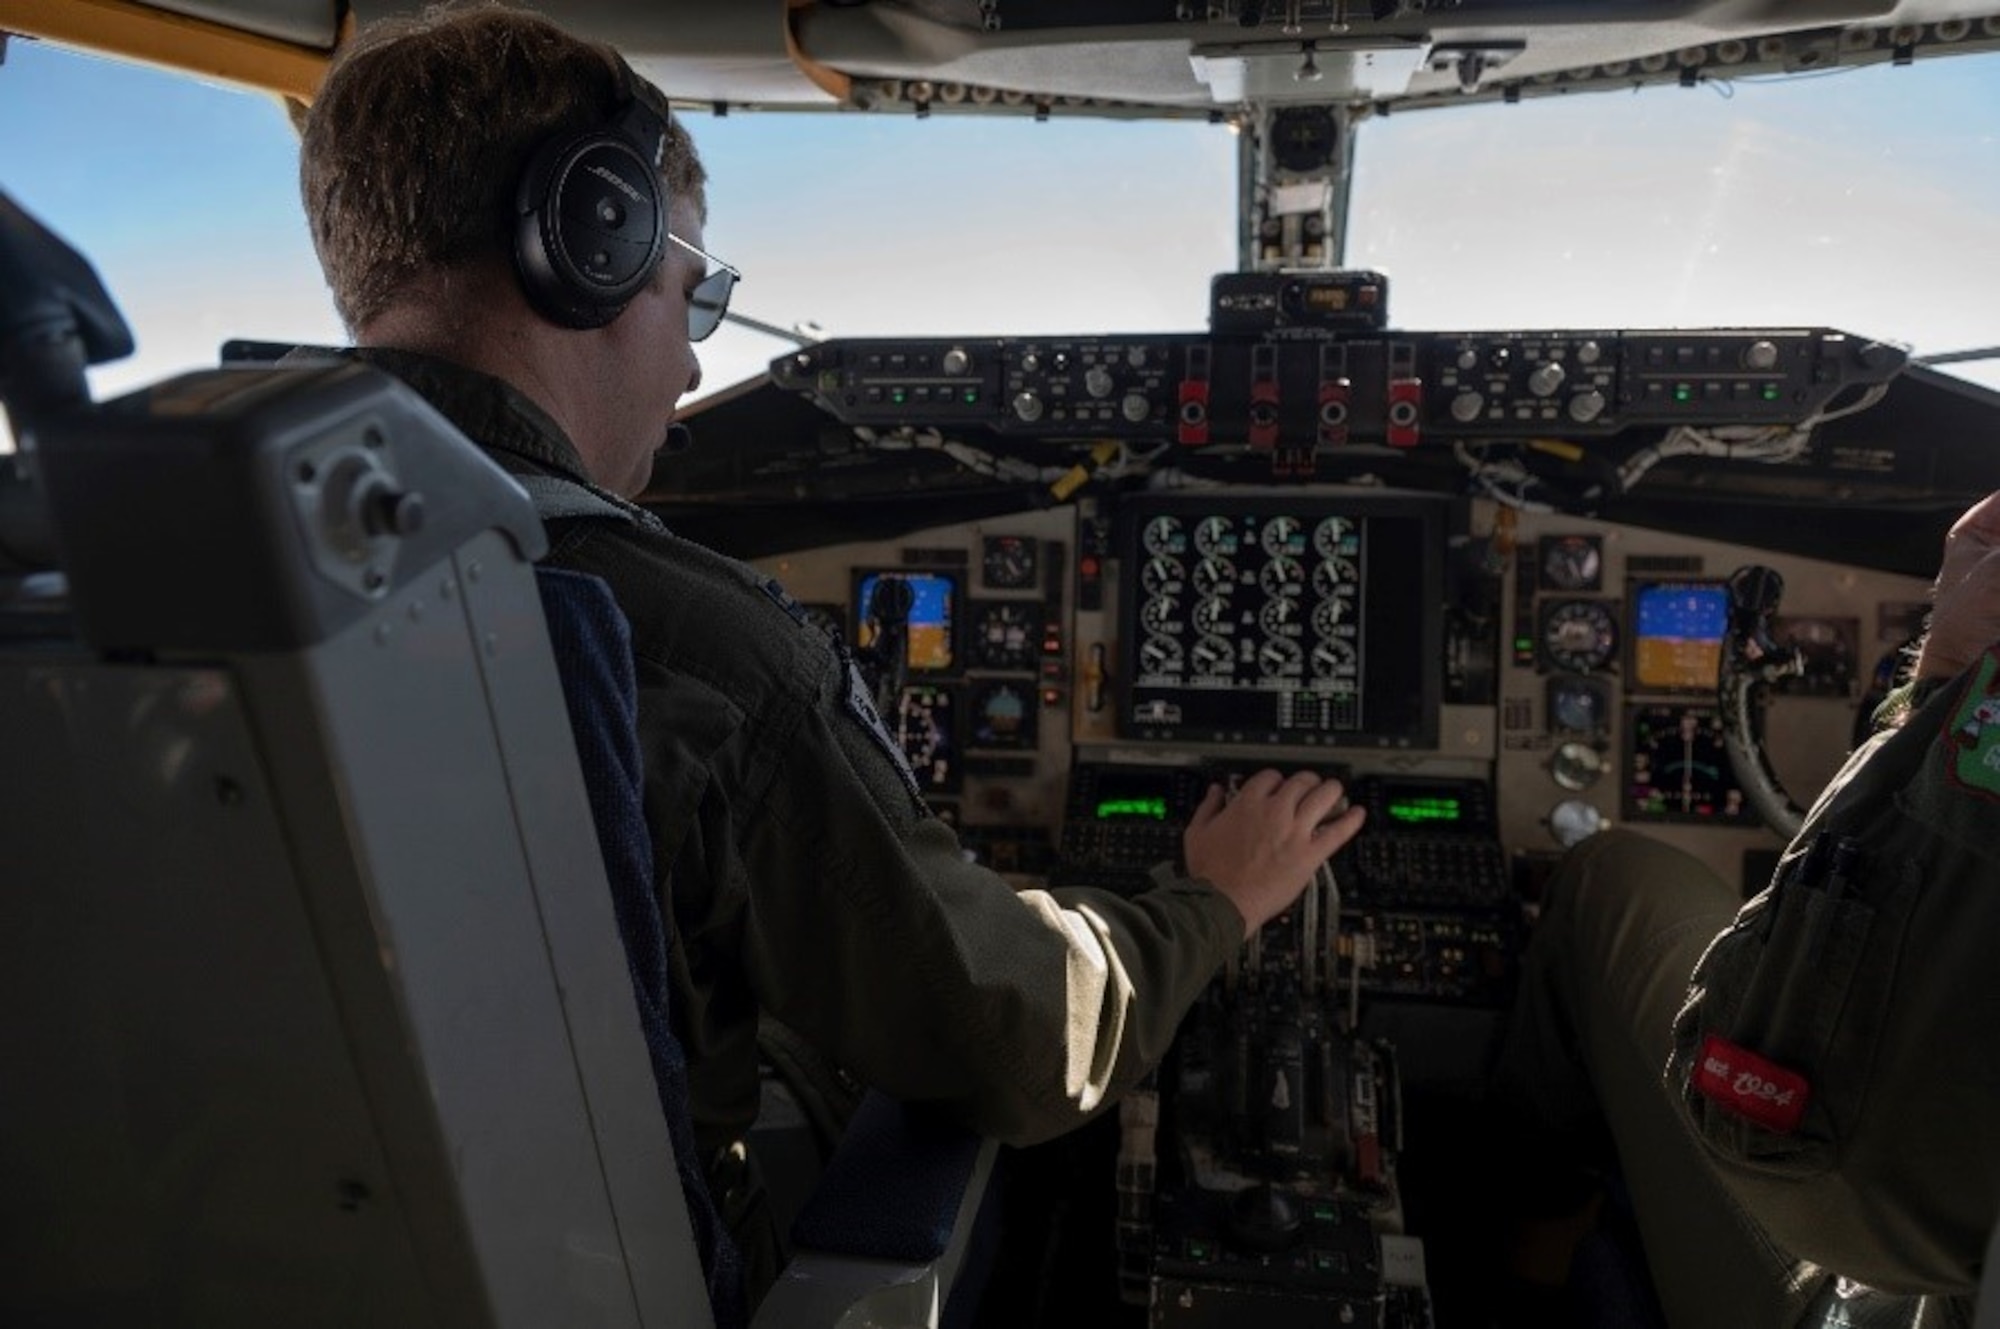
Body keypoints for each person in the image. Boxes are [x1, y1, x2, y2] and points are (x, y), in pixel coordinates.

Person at [295, 1, 1368, 1314]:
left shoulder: (135, 577)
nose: (692, 364)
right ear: (597, 237)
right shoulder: (688, 644)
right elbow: (1024, 1043)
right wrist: (1210, 900)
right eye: (698, 294)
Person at [1496, 490, 2000, 1328]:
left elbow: (1801, 1158)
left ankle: (1518, 1267)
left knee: (1604, 878)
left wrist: (1947, 681)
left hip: (1880, 1279)